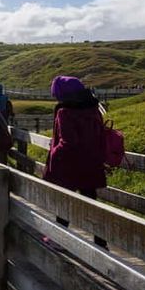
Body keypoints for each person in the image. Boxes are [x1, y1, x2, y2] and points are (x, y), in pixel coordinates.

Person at [45, 75, 107, 248]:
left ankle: (58, 239)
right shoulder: (94, 108)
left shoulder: (65, 112)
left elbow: (68, 141)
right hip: (91, 163)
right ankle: (101, 243)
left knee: (64, 201)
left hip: (71, 165)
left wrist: (55, 152)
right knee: (91, 203)